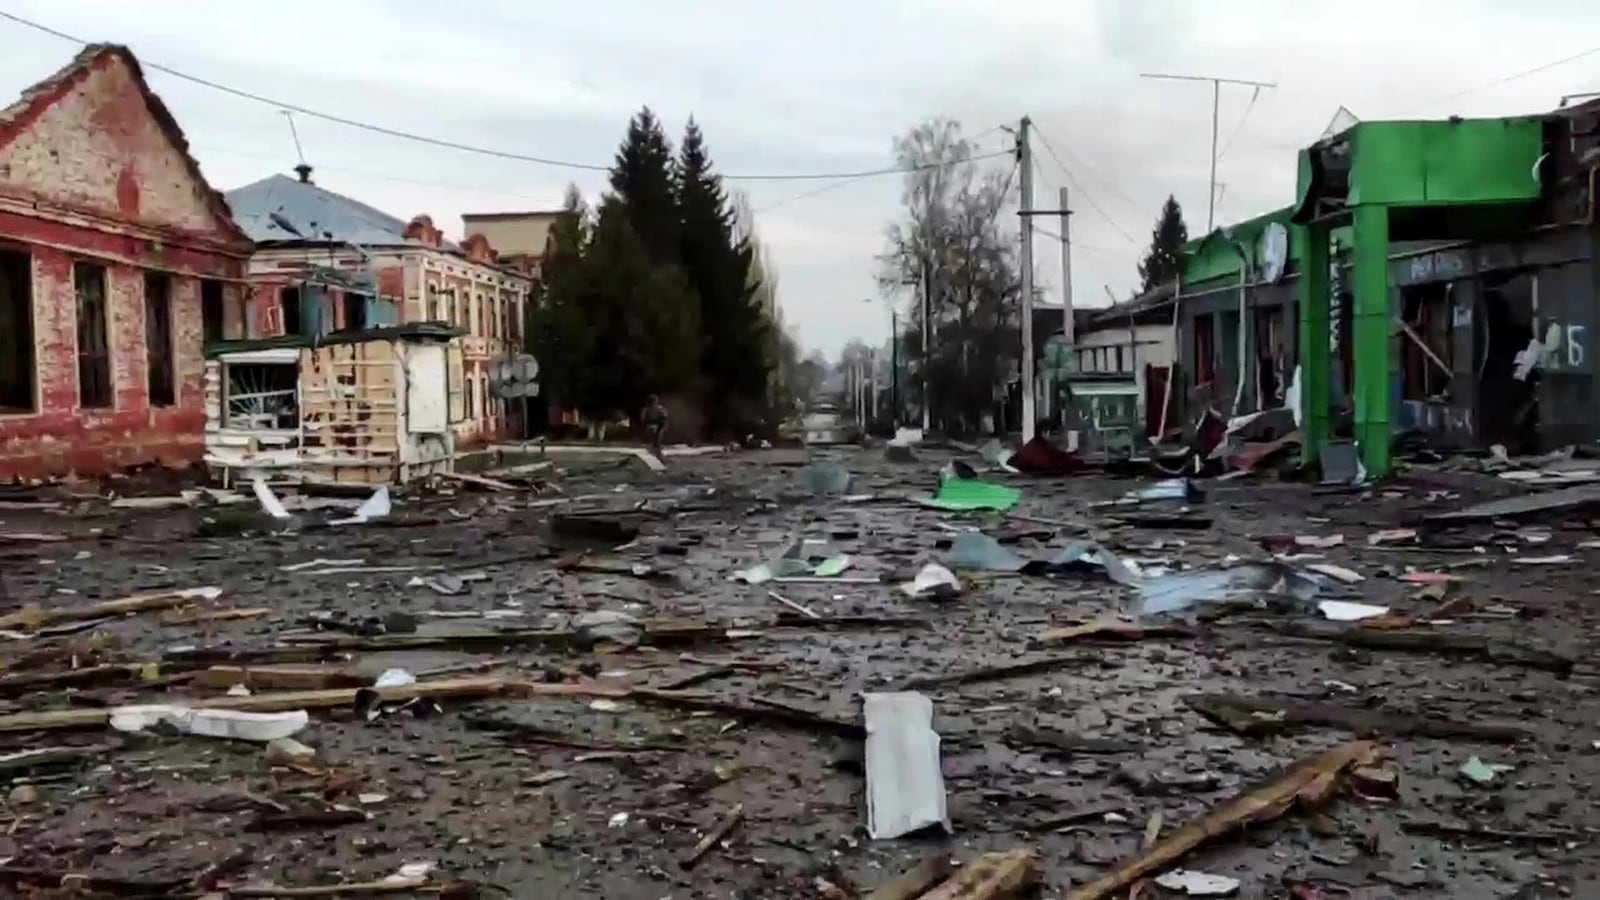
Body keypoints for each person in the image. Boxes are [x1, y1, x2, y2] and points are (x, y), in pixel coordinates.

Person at [642, 394, 668, 458]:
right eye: (655, 401)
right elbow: (643, 418)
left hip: (658, 424)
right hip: (652, 424)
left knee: (658, 435)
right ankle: (655, 449)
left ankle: (657, 450)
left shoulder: (659, 408)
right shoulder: (647, 409)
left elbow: (665, 416)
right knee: (655, 435)